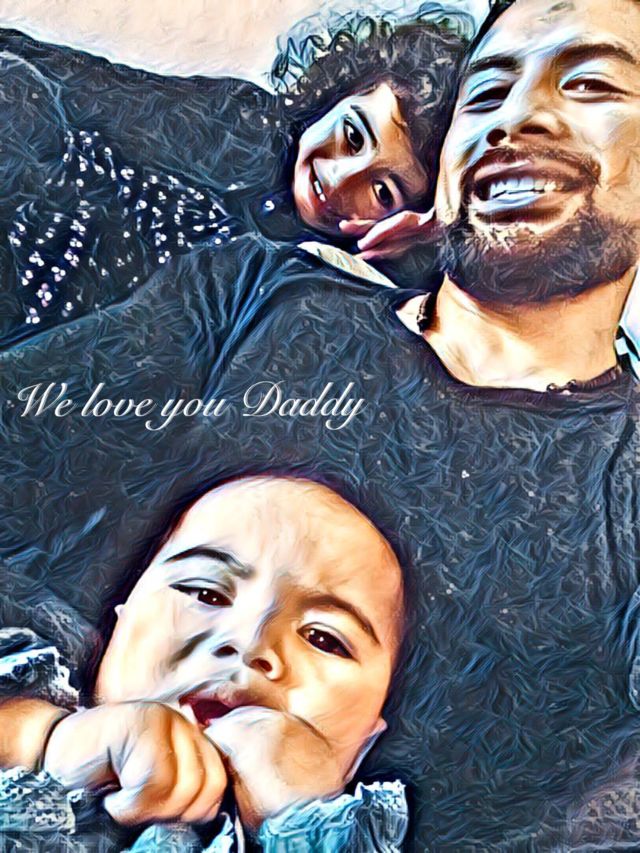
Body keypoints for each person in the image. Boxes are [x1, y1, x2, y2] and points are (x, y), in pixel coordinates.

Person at [1, 0, 640, 848]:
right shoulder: (251, 295)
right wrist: (35, 728)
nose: (515, 118)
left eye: (590, 83)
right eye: (483, 95)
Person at [0, 476, 408, 851]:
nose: (249, 643)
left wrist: (309, 823)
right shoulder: (36, 691)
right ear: (119, 626)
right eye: (205, 593)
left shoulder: (352, 838)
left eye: (324, 639)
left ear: (362, 745)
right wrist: (45, 742)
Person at [0, 19, 464, 340]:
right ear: (341, 94)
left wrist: (434, 237)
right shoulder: (247, 123)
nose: (340, 179)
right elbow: (91, 84)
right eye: (352, 136)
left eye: (382, 192)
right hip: (46, 214)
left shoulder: (355, 290)